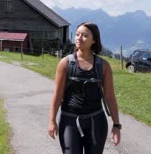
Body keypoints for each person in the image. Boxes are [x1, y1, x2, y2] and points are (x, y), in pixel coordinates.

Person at [47, 22, 121, 154]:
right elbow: (57, 95)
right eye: (77, 34)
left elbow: (110, 96)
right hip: (69, 120)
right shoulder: (65, 63)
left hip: (96, 121)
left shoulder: (103, 66)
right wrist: (52, 120)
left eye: (85, 35)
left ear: (94, 40)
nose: (79, 38)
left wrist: (116, 125)